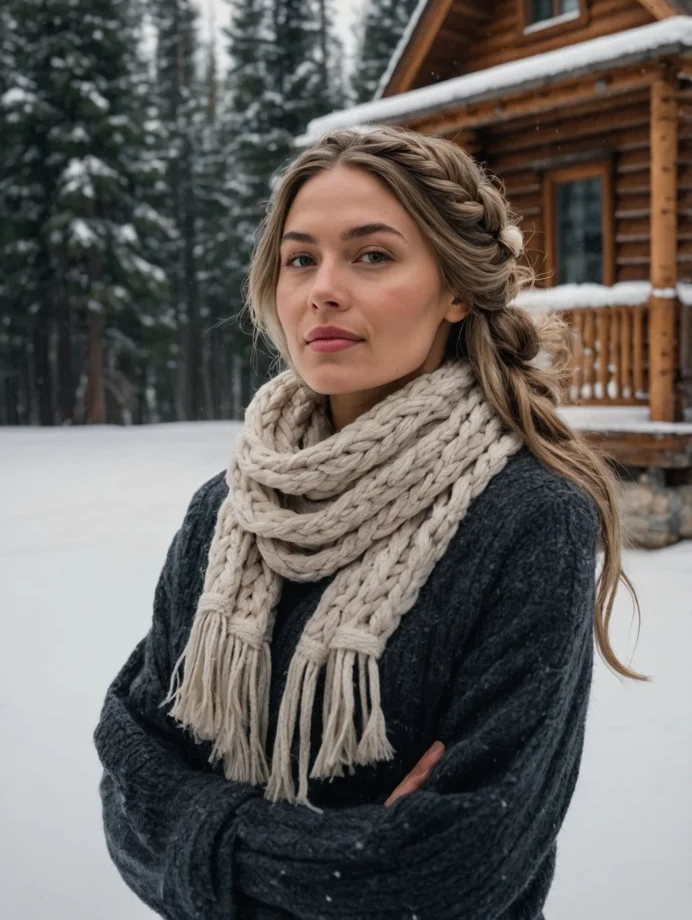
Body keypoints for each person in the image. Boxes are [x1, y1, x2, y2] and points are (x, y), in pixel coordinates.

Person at [93, 125, 647, 920]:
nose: (322, 288)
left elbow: (451, 870)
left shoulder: (530, 519)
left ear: (456, 287)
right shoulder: (229, 508)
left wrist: (201, 830)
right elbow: (126, 787)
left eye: (372, 255)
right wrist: (338, 854)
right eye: (300, 258)